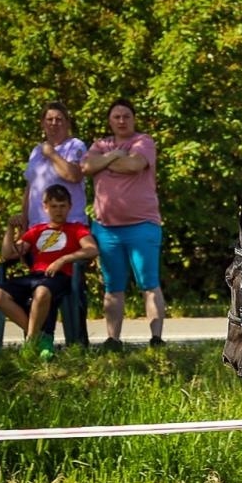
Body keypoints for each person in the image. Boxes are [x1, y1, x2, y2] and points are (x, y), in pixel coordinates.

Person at [82, 98, 166, 348]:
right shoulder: (101, 144)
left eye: (126, 116)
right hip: (106, 229)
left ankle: (156, 338)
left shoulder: (143, 141)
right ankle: (112, 340)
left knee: (149, 283)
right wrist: (114, 155)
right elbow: (85, 166)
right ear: (109, 120)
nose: (121, 120)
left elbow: (134, 164)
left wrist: (105, 161)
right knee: (113, 286)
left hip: (142, 225)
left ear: (134, 119)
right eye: (116, 116)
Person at [0, 184, 96, 358]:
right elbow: (8, 254)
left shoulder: (77, 228)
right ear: (45, 207)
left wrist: (63, 260)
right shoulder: (37, 231)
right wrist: (10, 229)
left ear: (70, 207)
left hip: (61, 277)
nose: (58, 211)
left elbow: (92, 249)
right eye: (54, 206)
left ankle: (31, 342)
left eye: (62, 206)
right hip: (35, 276)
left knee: (41, 291)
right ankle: (40, 338)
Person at [25, 100, 89, 227]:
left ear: (67, 123)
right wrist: (23, 218)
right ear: (42, 124)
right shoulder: (36, 151)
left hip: (70, 224)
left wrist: (52, 154)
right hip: (37, 225)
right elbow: (29, 188)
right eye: (49, 119)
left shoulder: (76, 146)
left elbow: (74, 176)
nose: (54, 123)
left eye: (59, 119)